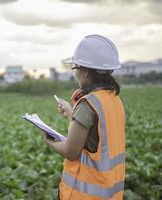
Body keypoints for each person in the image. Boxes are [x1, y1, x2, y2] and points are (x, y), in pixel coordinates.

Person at [44, 35, 125, 200]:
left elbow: (71, 151)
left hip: (83, 195)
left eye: (76, 69)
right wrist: (71, 114)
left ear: (86, 71)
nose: (76, 74)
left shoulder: (87, 105)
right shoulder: (113, 99)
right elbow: (93, 140)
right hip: (111, 192)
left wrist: (49, 140)